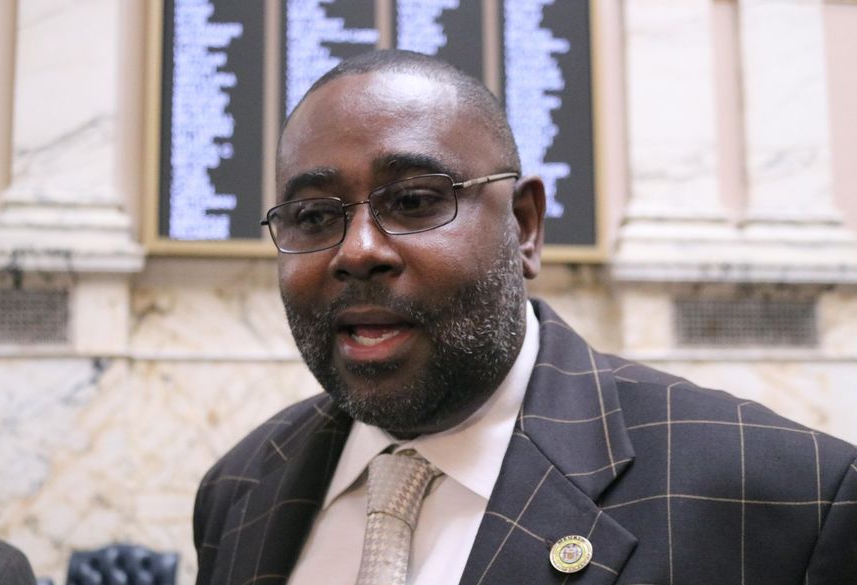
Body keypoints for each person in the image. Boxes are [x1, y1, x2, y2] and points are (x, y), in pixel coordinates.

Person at [193, 50, 857, 585]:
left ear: (525, 225)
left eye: (417, 200)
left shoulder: (786, 497)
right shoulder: (239, 488)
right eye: (313, 216)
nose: (359, 249)